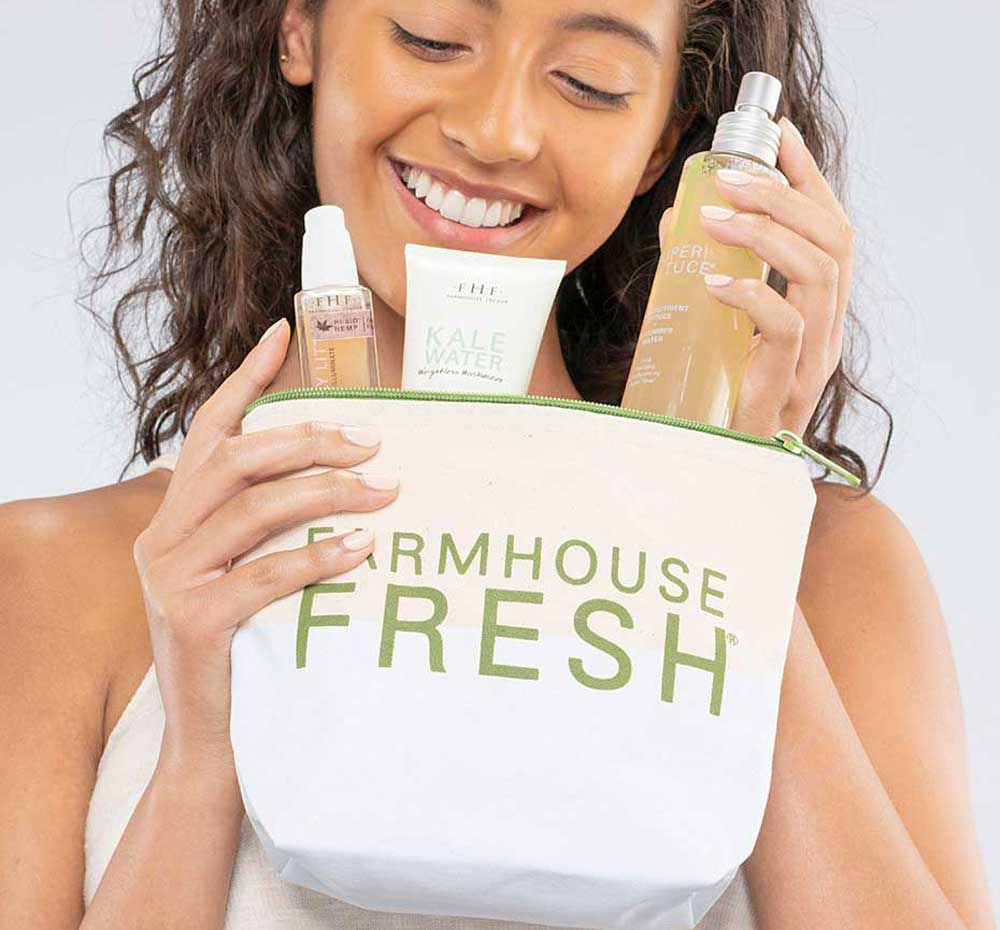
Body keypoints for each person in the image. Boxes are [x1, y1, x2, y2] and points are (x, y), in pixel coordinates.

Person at [1, 0, 994, 928]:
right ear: (299, 26)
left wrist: (733, 518)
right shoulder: (56, 578)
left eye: (591, 81)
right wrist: (201, 757)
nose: (499, 130)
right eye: (432, 37)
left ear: (659, 142)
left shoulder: (829, 568)